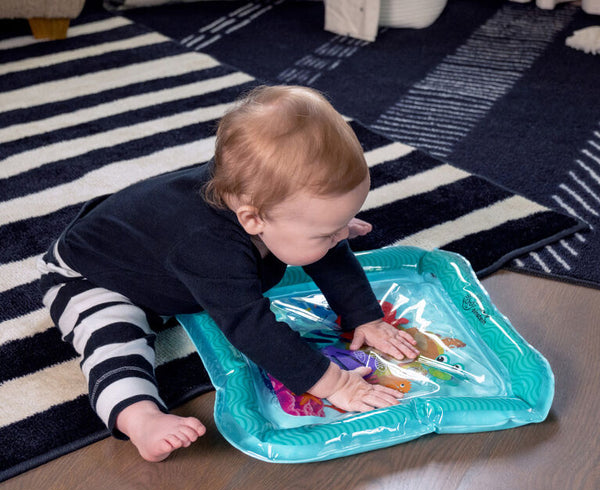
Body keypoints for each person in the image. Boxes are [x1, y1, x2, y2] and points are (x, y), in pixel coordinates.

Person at [38, 85, 419, 463]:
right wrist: (332, 382)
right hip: (93, 278)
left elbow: (331, 256)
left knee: (315, 244)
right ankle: (140, 417)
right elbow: (250, 326)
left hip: (161, 263)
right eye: (328, 230)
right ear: (252, 219)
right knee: (114, 342)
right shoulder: (207, 245)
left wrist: (364, 316)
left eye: (342, 222)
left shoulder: (259, 201)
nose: (341, 237)